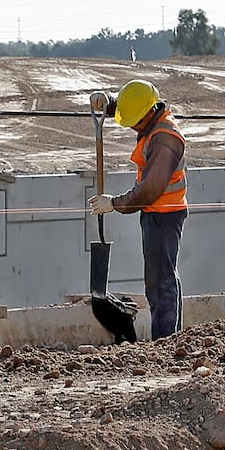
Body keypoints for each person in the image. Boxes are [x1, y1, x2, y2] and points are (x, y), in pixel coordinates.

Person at [88, 80, 187, 339]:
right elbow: (130, 106)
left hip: (164, 214)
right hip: (158, 213)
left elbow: (150, 189)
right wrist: (108, 103)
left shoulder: (165, 138)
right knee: (165, 276)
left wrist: (114, 203)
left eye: (135, 121)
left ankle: (165, 341)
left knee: (160, 282)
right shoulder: (152, 117)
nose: (132, 125)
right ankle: (172, 339)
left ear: (149, 113)